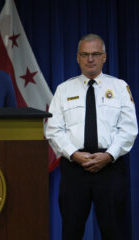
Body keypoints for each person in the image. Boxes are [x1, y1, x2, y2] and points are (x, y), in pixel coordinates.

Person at [45, 33, 137, 240]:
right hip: (74, 168)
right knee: (71, 230)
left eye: (96, 54)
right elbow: (53, 129)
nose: (90, 59)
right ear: (77, 57)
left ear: (105, 57)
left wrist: (109, 155)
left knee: (114, 231)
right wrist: (74, 154)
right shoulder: (63, 89)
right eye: (85, 54)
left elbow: (129, 129)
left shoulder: (120, 87)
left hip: (110, 167)